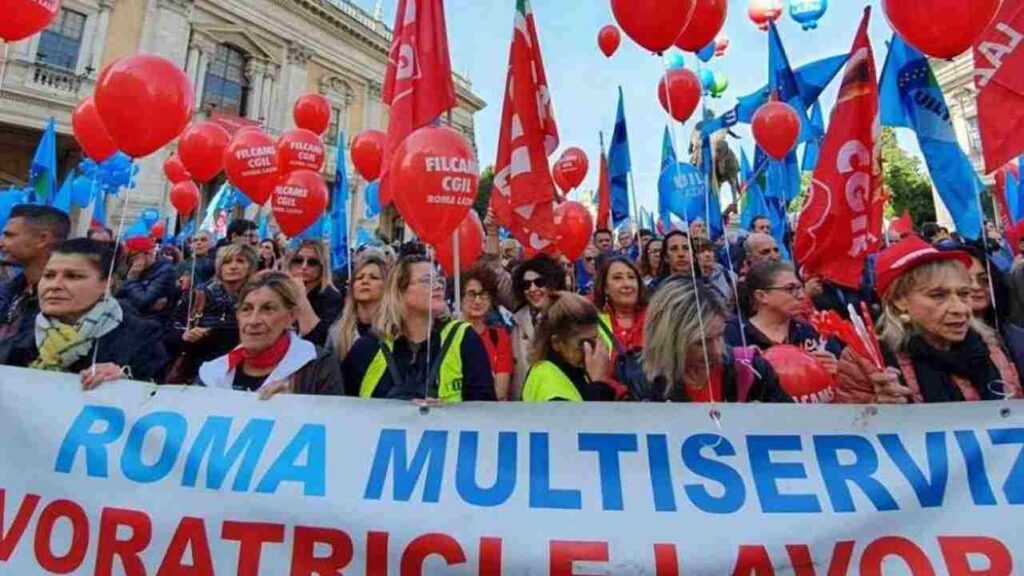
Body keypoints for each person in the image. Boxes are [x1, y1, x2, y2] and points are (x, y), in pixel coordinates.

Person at [836, 237, 1020, 404]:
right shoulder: (865, 360)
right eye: (938, 295)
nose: (960, 309)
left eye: (964, 294)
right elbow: (844, 433)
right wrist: (877, 410)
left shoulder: (988, 346)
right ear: (899, 300)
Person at [13, 238, 168, 387]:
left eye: (73, 276)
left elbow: (162, 397)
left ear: (106, 284)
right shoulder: (19, 329)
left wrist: (126, 381)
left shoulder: (142, 338)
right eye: (49, 275)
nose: (55, 285)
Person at [342, 255, 496, 402]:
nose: (437, 286)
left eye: (439, 280)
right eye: (426, 281)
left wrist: (448, 413)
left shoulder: (464, 339)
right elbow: (341, 411)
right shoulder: (368, 348)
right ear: (400, 292)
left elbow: (484, 409)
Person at [644, 276, 792, 403]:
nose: (717, 351)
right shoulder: (641, 381)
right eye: (701, 343)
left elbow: (789, 424)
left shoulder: (751, 369)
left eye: (720, 336)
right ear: (669, 339)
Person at [197, 272, 343, 398]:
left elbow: (334, 423)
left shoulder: (317, 365)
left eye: (268, 309)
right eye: (246, 309)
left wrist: (297, 406)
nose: (253, 321)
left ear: (291, 316)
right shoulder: (213, 372)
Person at [164, 244, 258, 384]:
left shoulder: (259, 297)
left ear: (250, 266)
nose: (233, 266)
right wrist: (186, 335)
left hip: (244, 373)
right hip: (198, 373)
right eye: (227, 262)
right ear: (219, 266)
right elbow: (170, 329)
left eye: (240, 261)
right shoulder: (198, 295)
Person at [727, 261, 841, 373]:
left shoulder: (811, 332)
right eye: (790, 289)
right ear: (761, 296)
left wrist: (834, 371)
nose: (801, 296)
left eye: (800, 287)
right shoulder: (736, 336)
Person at [0, 205, 70, 365]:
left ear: (43, 239)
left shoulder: (68, 303)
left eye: (9, 235)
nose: (1, 243)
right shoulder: (9, 292)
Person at [522, 292, 617, 402]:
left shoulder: (571, 369)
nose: (590, 352)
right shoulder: (549, 383)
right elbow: (590, 418)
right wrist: (598, 385)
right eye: (583, 344)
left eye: (593, 342)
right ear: (557, 342)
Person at [510, 254, 567, 399]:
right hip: (524, 404)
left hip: (560, 402)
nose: (533, 289)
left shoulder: (569, 316)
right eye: (526, 285)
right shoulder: (519, 319)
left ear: (553, 283)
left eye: (539, 282)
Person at [461, 264, 514, 400]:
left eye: (483, 295)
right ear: (461, 298)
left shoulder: (499, 336)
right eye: (472, 294)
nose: (477, 301)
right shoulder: (448, 334)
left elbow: (500, 392)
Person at [329, 254, 388, 362]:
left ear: (387, 286)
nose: (364, 281)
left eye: (373, 277)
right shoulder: (337, 333)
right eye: (359, 278)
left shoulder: (395, 331)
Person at [116, 238, 178, 322]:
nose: (129, 262)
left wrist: (132, 278)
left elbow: (143, 302)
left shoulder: (165, 271)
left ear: (147, 253)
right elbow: (118, 297)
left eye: (131, 257)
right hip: (132, 318)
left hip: (152, 323)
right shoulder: (136, 270)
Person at [288, 240, 343, 328]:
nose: (304, 266)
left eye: (312, 262)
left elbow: (321, 337)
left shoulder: (331, 298)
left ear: (322, 267)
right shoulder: (283, 293)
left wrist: (302, 297)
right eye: (298, 260)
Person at [695, 237, 736, 306]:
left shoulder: (729, 276)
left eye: (710, 250)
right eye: (701, 251)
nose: (707, 255)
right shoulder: (690, 280)